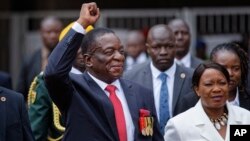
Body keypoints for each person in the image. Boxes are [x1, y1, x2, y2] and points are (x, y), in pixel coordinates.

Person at [44, 2, 163, 141]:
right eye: (109, 52)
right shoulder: (74, 90)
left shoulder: (142, 93)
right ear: (88, 60)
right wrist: (82, 23)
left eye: (121, 51)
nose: (119, 57)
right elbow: (53, 72)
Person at [123, 24, 194, 134]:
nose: (163, 52)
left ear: (175, 46)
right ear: (147, 49)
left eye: (169, 46)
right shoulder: (131, 77)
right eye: (157, 47)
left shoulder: (192, 77)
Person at [27, 23, 88, 141]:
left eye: (86, 45)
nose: (81, 51)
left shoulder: (103, 80)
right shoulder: (46, 82)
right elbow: (37, 131)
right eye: (77, 45)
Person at [164, 62, 250, 141]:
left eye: (222, 83)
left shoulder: (245, 117)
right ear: (197, 89)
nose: (217, 89)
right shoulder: (179, 125)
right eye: (209, 84)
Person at [176, 42, 250, 114]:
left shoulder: (247, 99)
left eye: (236, 68)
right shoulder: (189, 102)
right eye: (223, 68)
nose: (230, 74)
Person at [16, 16, 63, 100]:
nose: (53, 35)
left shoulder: (68, 57)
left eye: (56, 31)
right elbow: (21, 90)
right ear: (41, 32)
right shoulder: (29, 60)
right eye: (48, 32)